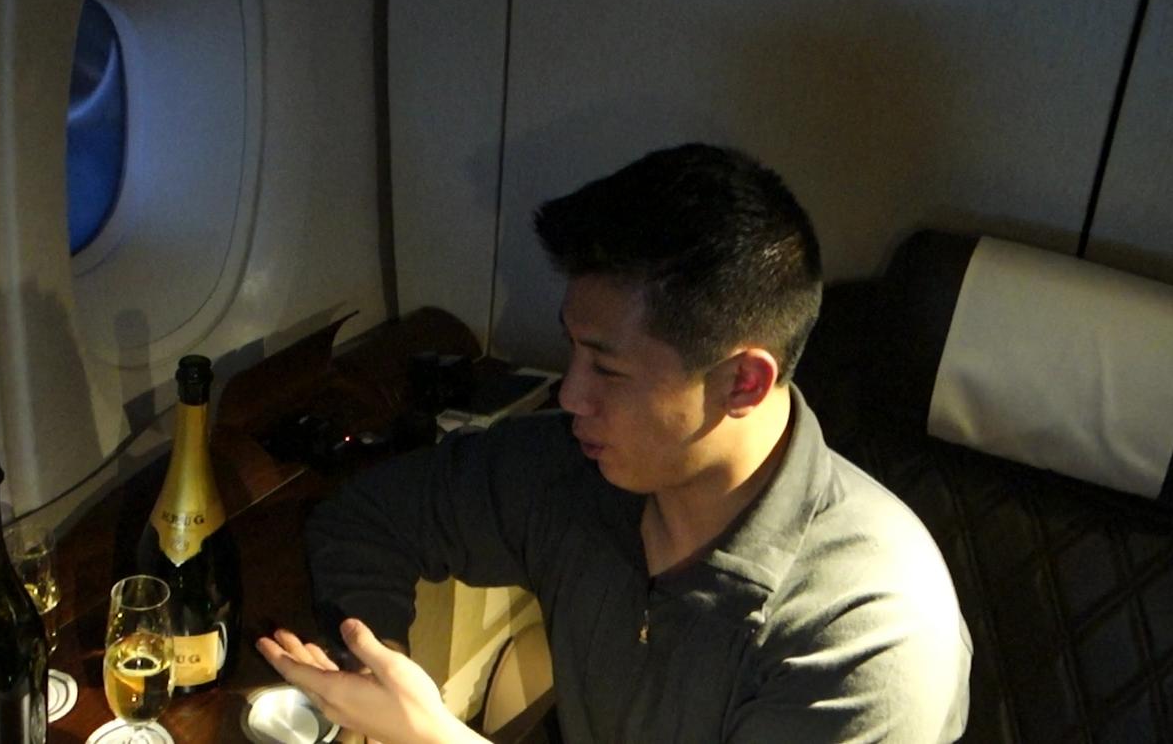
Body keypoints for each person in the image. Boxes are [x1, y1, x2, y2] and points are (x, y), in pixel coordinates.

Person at [259, 143, 971, 743]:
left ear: (743, 385)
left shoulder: (873, 636)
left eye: (607, 367)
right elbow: (370, 517)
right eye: (573, 351)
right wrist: (372, 667)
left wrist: (432, 734)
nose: (570, 396)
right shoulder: (581, 469)